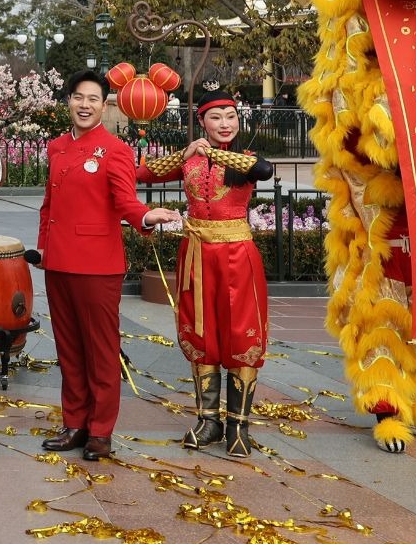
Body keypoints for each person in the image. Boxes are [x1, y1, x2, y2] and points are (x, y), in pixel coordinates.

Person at [37, 69, 180, 461]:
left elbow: (125, 201)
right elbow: (49, 206)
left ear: (104, 106)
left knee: (101, 350)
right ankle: (75, 423)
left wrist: (146, 216)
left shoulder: (114, 149)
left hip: (97, 265)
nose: (84, 105)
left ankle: (100, 430)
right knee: (68, 348)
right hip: (59, 263)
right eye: (78, 97)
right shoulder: (56, 147)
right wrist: (44, 249)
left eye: (93, 99)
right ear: (68, 101)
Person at [134, 90, 274, 455]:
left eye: (231, 116)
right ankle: (208, 421)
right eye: (216, 117)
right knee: (201, 333)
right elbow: (143, 173)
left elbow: (264, 170)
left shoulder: (245, 159)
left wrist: (211, 152)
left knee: (241, 334)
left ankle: (238, 426)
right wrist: (185, 154)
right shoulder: (189, 159)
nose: (225, 124)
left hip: (238, 256)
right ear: (201, 121)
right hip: (196, 256)